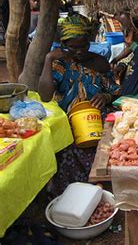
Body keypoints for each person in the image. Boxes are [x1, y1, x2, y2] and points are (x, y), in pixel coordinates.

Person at [38, 15, 120, 196]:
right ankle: (71, 195)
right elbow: (44, 96)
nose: (79, 51)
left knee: (104, 146)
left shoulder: (99, 62)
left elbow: (116, 91)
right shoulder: (59, 64)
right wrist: (48, 59)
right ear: (63, 43)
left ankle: (101, 193)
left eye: (84, 45)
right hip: (68, 120)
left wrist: (105, 96)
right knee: (68, 147)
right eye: (73, 47)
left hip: (96, 119)